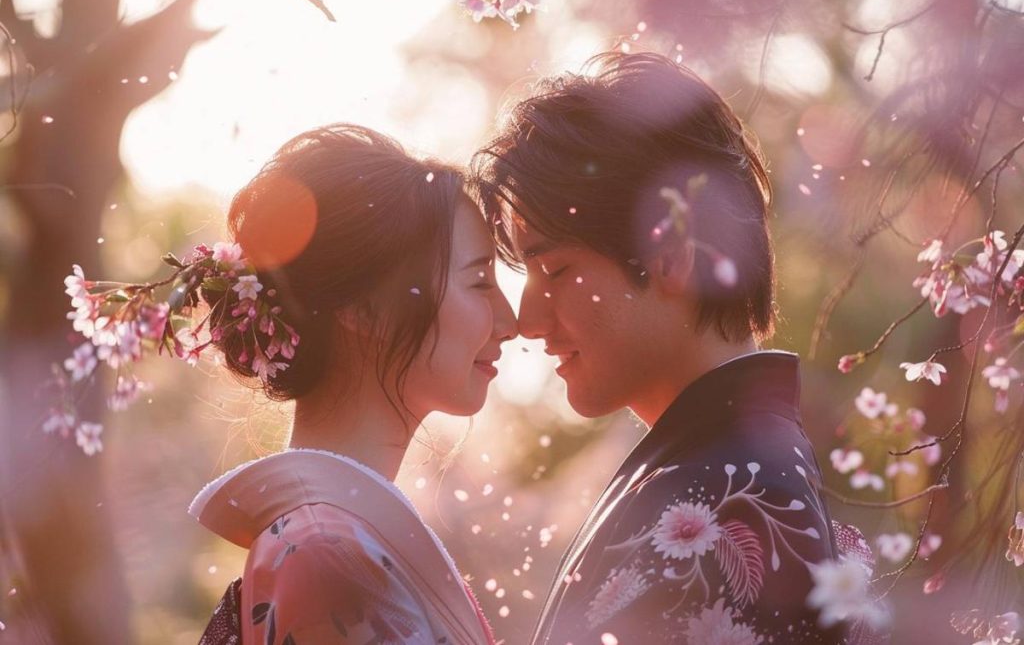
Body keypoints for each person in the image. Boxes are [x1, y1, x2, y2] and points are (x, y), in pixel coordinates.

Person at [471, 52, 854, 643]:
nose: (527, 320)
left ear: (672, 256)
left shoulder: (730, 499)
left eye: (556, 269)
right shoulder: (724, 470)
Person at [189, 124, 516, 644]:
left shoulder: (328, 540)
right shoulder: (328, 554)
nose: (510, 321)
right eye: (479, 282)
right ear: (363, 308)